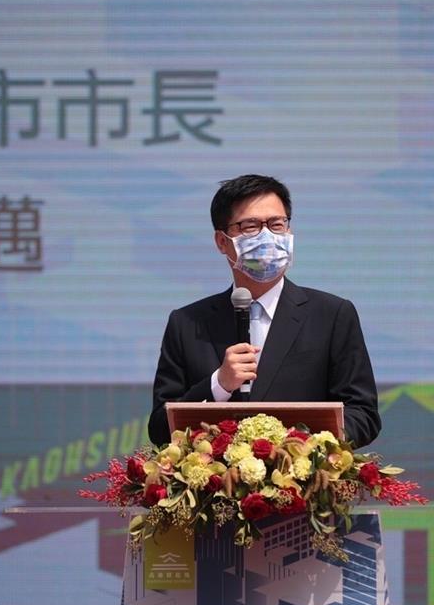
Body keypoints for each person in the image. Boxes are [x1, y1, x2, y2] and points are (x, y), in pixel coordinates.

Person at [148, 174, 381, 448]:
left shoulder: (332, 315)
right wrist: (219, 384)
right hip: (216, 476)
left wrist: (299, 448)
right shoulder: (187, 323)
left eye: (276, 224)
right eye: (251, 226)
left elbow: (363, 414)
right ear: (222, 241)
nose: (267, 236)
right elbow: (160, 429)